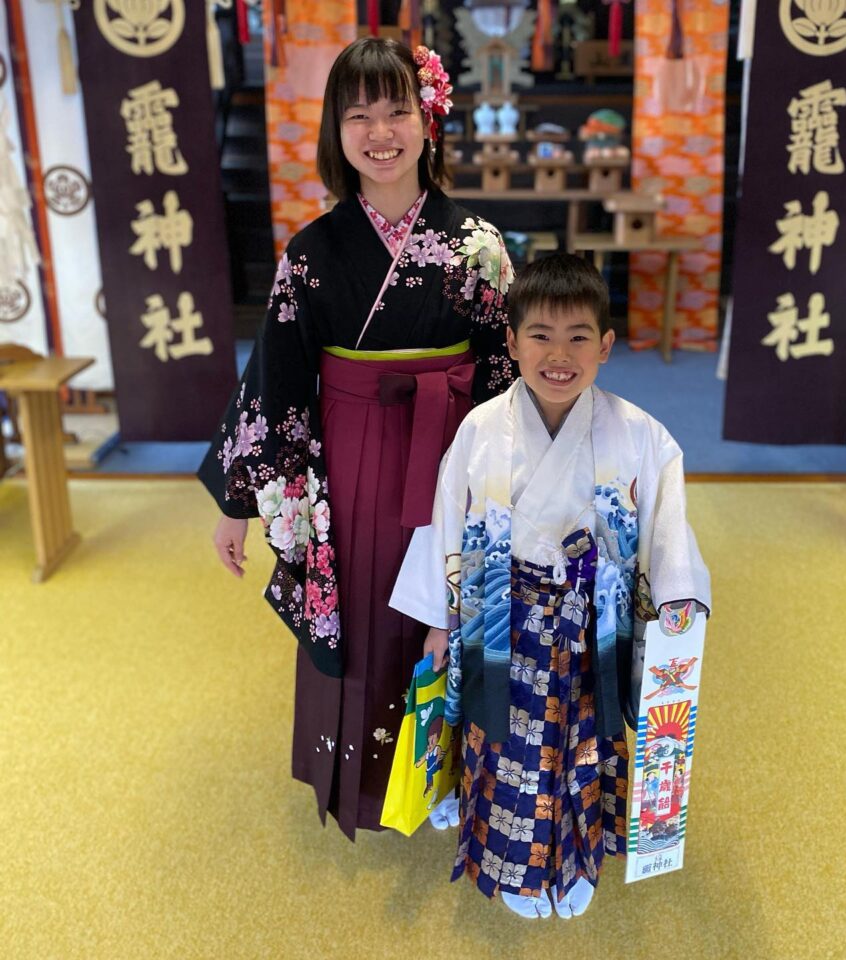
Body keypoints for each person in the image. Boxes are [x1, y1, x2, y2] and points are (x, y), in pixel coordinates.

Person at [198, 37, 515, 841]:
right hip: (348, 462)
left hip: (453, 453)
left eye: (397, 109)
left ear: (428, 118)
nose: (381, 131)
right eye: (358, 114)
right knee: (367, 608)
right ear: (335, 132)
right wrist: (240, 499)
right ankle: (365, 785)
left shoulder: (477, 244)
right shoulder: (312, 252)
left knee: (447, 607)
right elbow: (275, 376)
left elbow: (506, 372)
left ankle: (447, 783)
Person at [389, 254, 711, 917]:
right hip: (502, 625)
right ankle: (515, 871)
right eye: (539, 335)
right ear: (511, 342)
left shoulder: (642, 435)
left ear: (607, 346)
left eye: (578, 337)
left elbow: (667, 528)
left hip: (594, 628)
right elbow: (447, 519)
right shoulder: (480, 429)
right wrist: (438, 620)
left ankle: (579, 860)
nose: (557, 354)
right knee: (507, 751)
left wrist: (677, 608)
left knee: (585, 749)